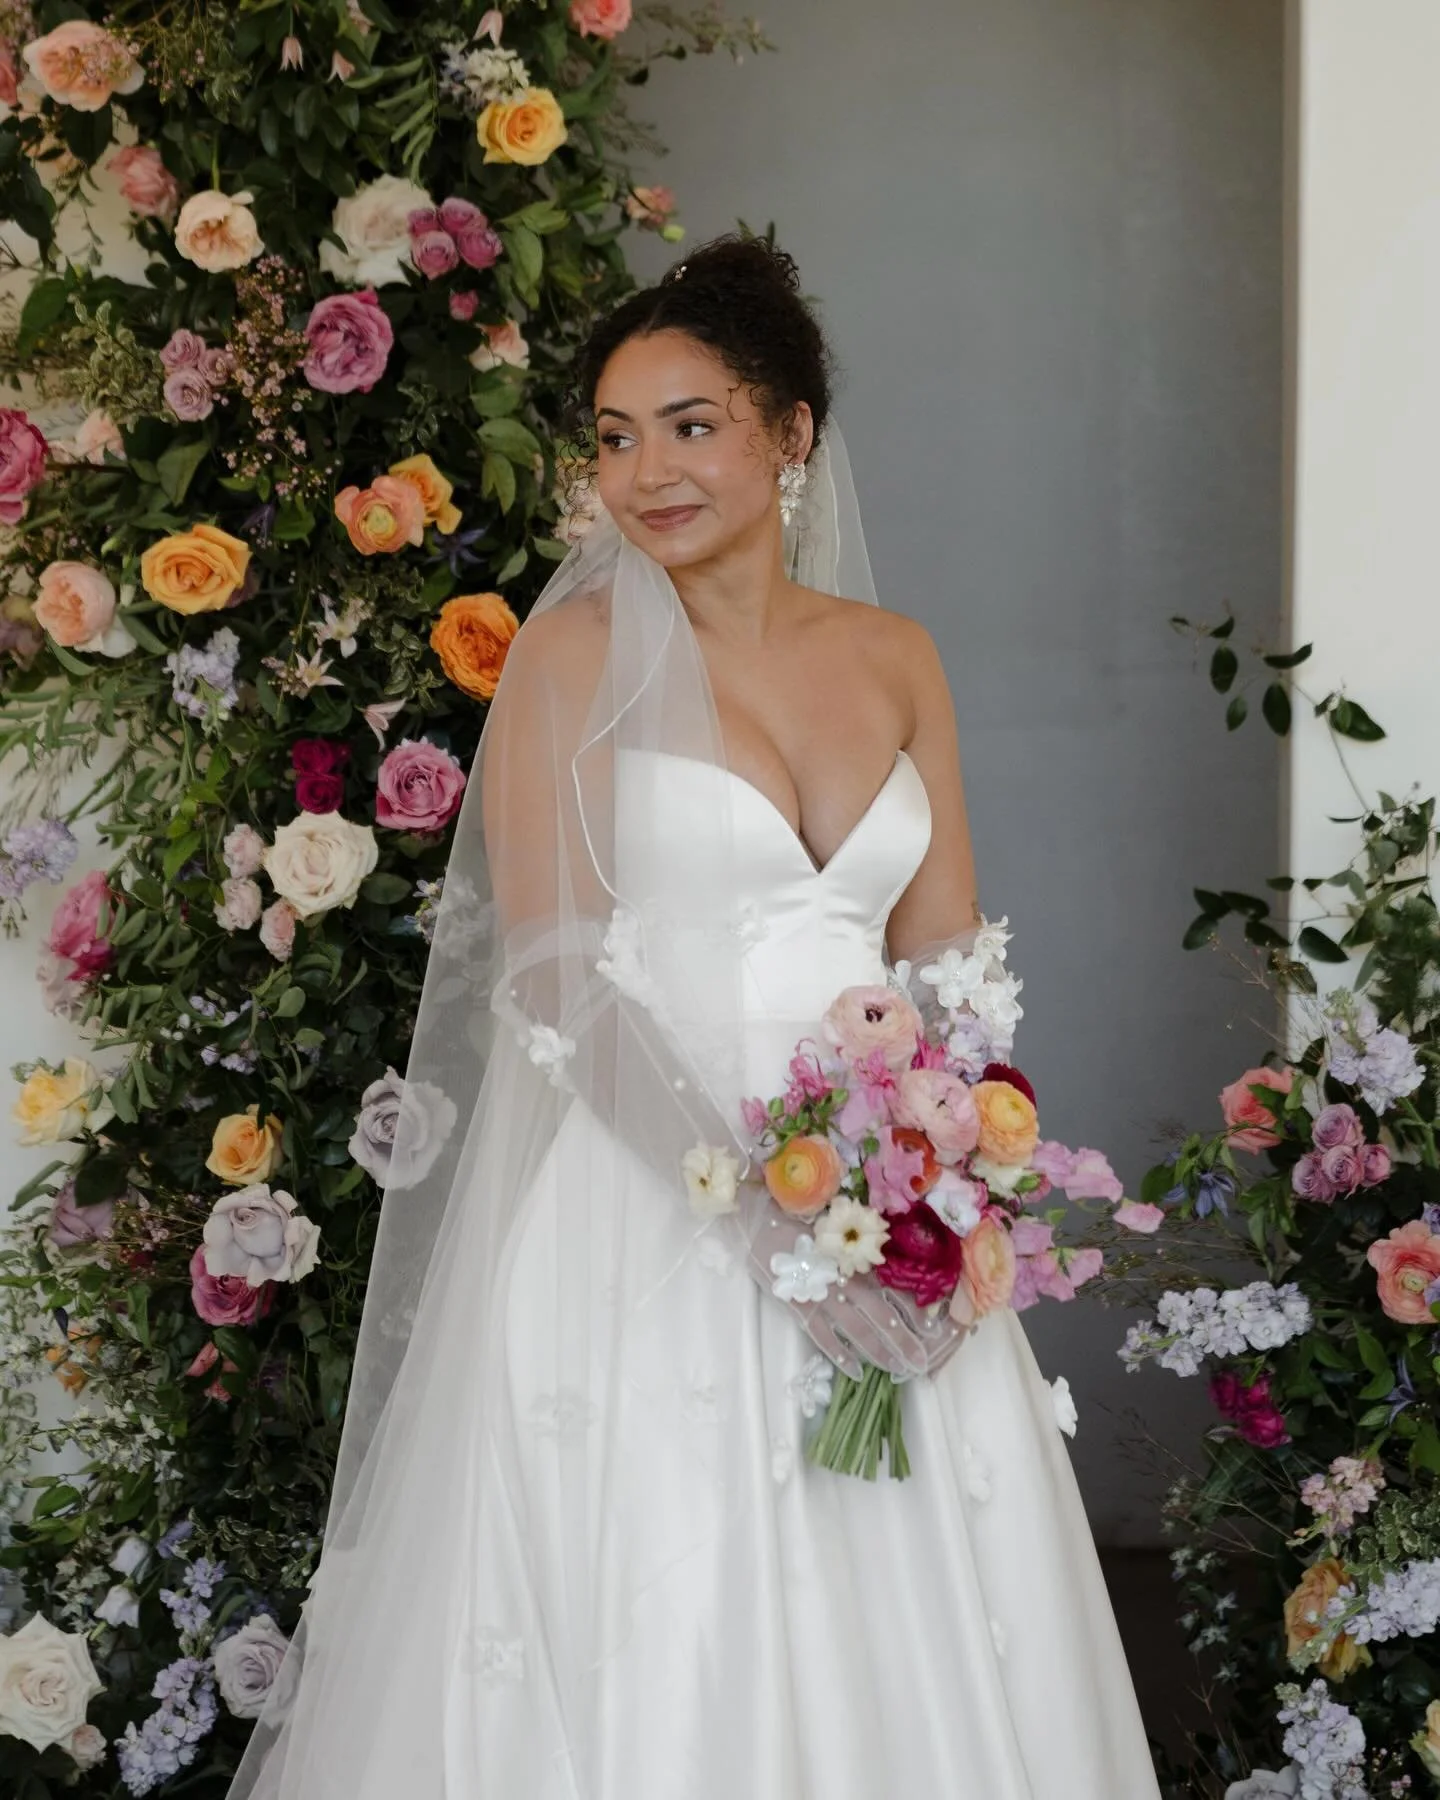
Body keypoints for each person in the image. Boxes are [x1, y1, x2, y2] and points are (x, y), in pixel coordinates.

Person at [226, 235, 1161, 1799]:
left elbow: (945, 965)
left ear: (792, 431)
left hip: (882, 1227)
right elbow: (553, 973)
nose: (645, 471)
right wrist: (762, 1226)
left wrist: (943, 1182)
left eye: (690, 423)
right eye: (612, 436)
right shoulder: (571, 660)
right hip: (648, 1204)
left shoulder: (897, 657)